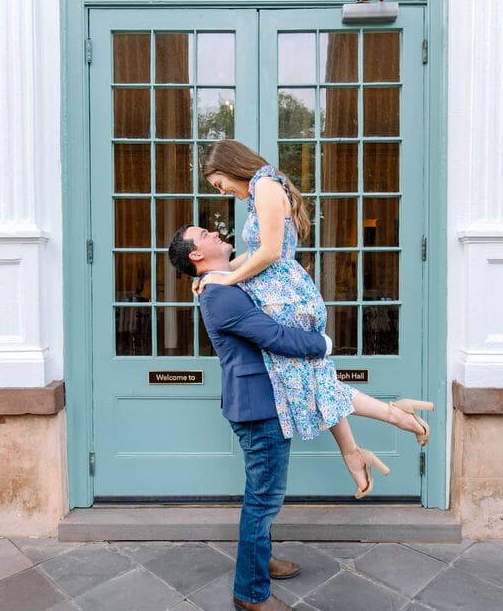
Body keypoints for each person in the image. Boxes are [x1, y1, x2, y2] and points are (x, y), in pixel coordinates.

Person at [177, 142, 433, 500]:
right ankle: (361, 447)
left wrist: (226, 278)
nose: (225, 193)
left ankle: (392, 421)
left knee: (306, 379)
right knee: (312, 379)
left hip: (287, 295)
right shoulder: (261, 190)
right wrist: (217, 272)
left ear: (233, 167)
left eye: (221, 184)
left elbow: (269, 253)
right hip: (284, 291)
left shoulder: (264, 186)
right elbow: (259, 249)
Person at [168, 224, 327, 611]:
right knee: (263, 500)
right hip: (258, 408)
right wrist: (321, 343)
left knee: (264, 495)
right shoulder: (220, 296)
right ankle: (250, 593)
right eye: (203, 234)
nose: (213, 231)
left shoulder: (220, 282)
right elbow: (273, 335)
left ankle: (262, 560)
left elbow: (260, 257)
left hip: (259, 401)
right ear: (195, 255)